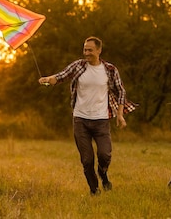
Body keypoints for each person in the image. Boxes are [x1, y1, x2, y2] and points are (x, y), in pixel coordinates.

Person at [38, 36, 137, 195]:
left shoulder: (110, 70)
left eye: (90, 50)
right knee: (87, 160)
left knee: (105, 155)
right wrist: (47, 80)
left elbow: (121, 92)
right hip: (80, 120)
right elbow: (60, 76)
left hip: (101, 120)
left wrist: (120, 115)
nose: (86, 53)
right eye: (85, 49)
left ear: (99, 50)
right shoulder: (78, 66)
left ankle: (103, 174)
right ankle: (94, 190)